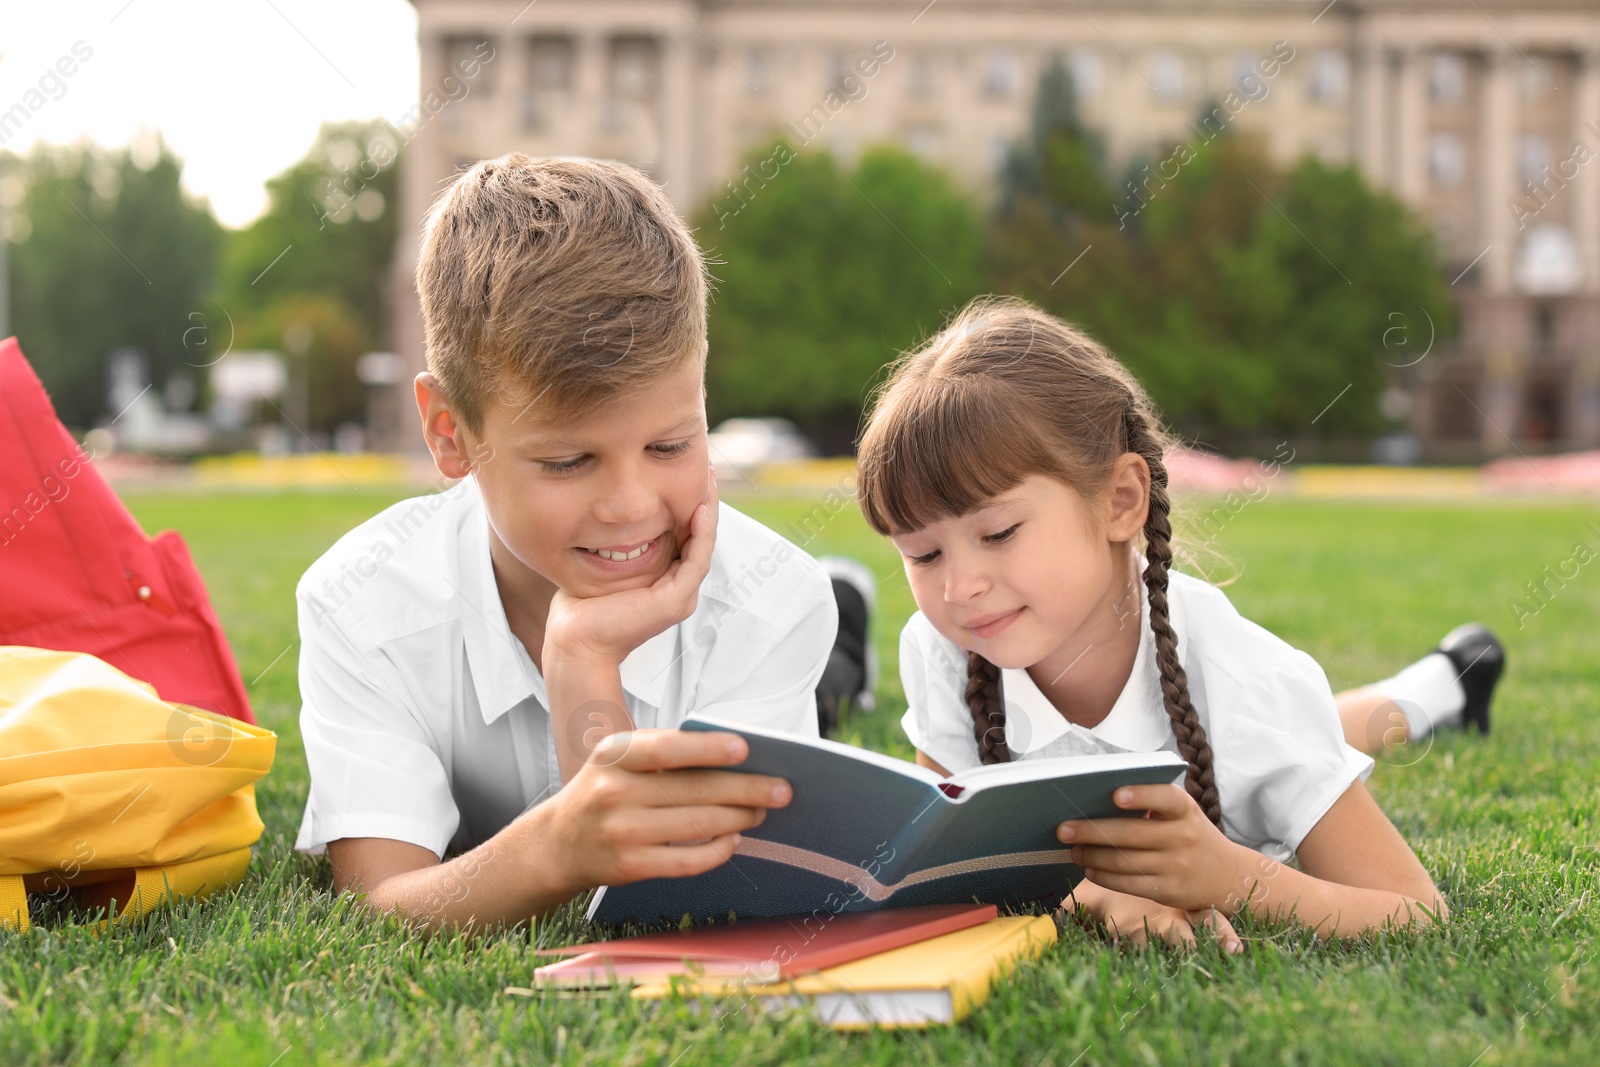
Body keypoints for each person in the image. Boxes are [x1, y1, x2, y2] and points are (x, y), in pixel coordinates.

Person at [293, 155, 870, 932]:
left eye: (671, 445)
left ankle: (846, 626)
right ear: (450, 434)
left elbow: (707, 901)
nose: (632, 507)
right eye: (568, 461)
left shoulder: (770, 599)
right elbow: (381, 904)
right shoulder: (359, 603)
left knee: (827, 697)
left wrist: (582, 662)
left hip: (766, 648)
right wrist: (559, 844)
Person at [855, 297, 1497, 952]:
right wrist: (1093, 893)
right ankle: (1442, 676)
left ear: (1120, 500)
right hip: (1246, 724)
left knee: (1316, 729)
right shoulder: (947, 646)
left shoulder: (1247, 689)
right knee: (1326, 725)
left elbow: (1416, 914)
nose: (960, 586)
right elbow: (947, 861)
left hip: (1257, 716)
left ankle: (1447, 678)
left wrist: (1231, 874)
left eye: (998, 531)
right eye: (923, 553)